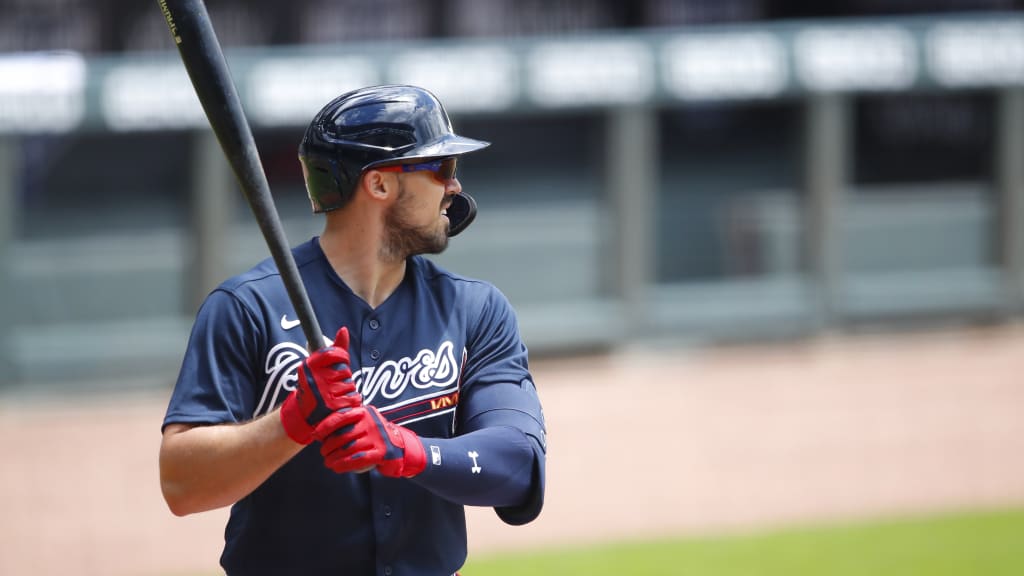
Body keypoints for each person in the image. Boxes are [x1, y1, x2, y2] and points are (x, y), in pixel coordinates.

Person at [159, 84, 547, 576]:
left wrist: (405, 449)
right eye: (441, 168)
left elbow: (517, 463)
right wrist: (293, 421)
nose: (454, 187)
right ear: (380, 185)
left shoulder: (473, 309)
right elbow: (180, 484)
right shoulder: (246, 307)